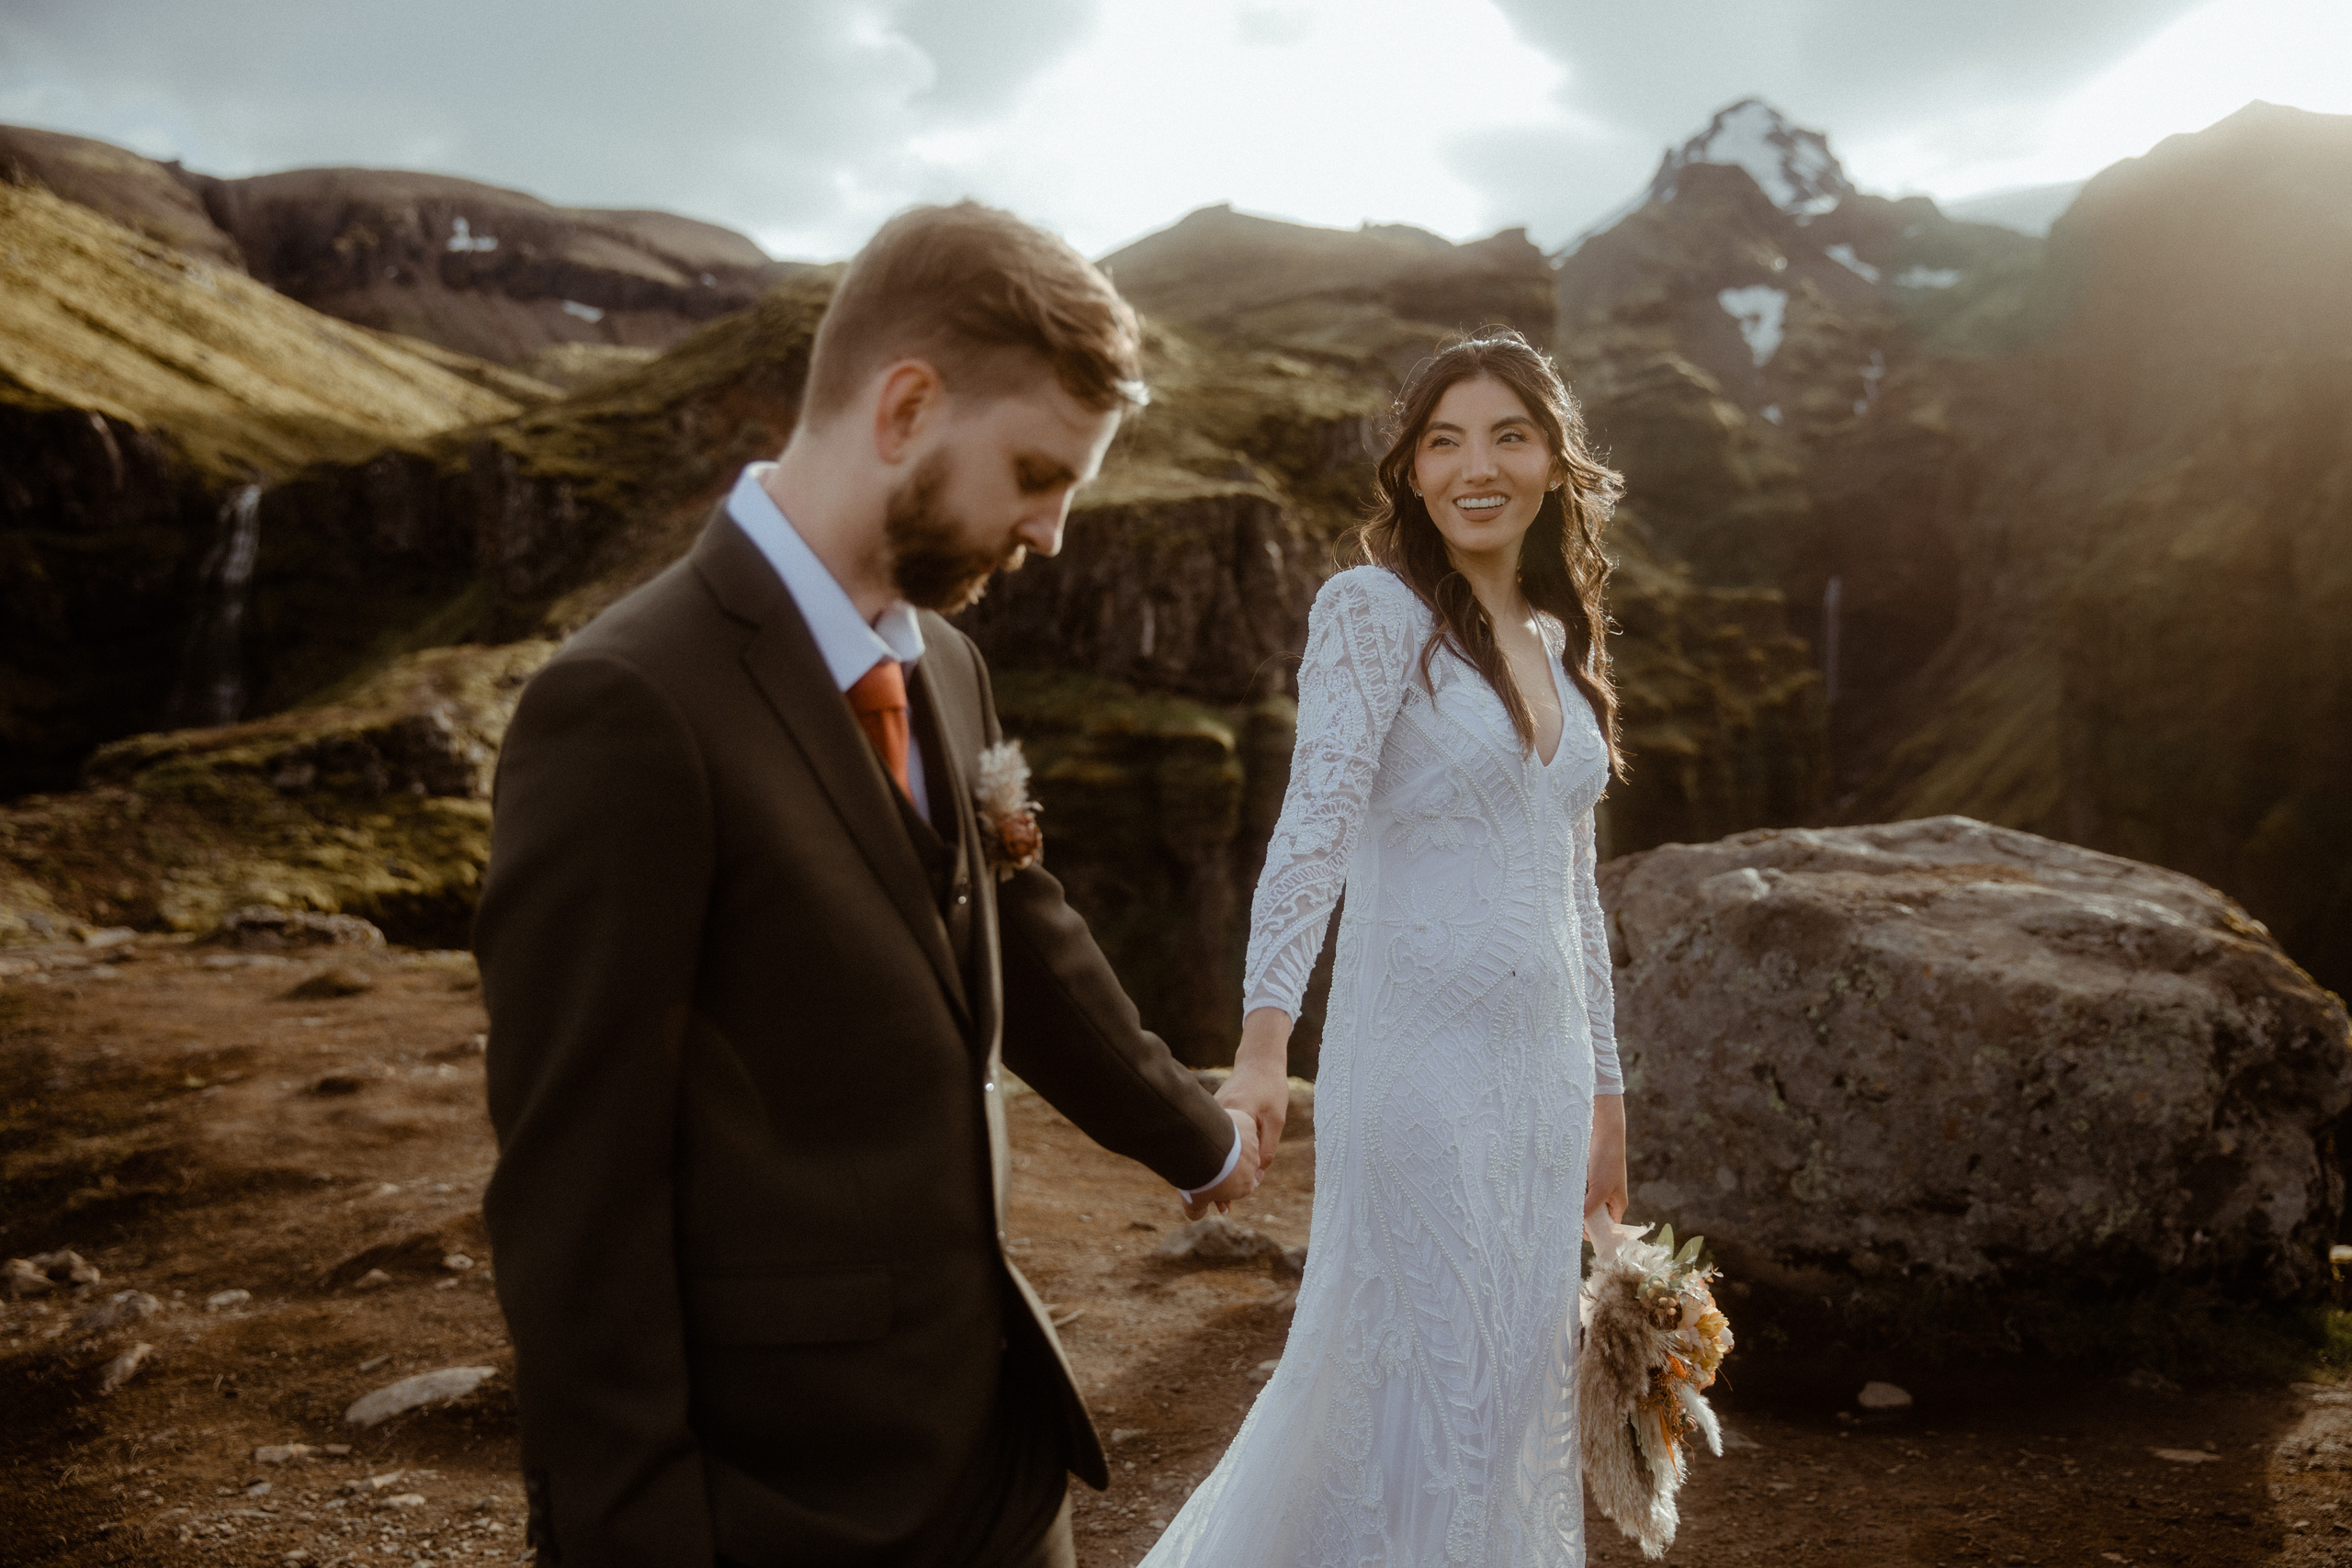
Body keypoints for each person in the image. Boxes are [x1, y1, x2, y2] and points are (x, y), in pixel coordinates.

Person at [472, 200, 1262, 1568]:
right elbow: (575, 1195)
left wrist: (1201, 1135)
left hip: (1002, 1457)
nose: (1055, 532)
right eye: (1035, 472)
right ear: (903, 407)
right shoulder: (624, 706)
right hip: (787, 1499)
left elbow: (1016, 924)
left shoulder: (944, 662)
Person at [1148, 330, 1631, 1568]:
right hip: (1411, 1057)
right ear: (1412, 472)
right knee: (1417, 1366)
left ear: (1553, 462)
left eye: (1509, 435)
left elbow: (1575, 894)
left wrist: (1608, 1098)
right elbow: (1312, 828)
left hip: (1540, 1076)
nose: (1479, 465)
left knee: (1511, 1382)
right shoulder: (1372, 613)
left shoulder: (1563, 647)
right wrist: (1263, 1049)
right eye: (1444, 440)